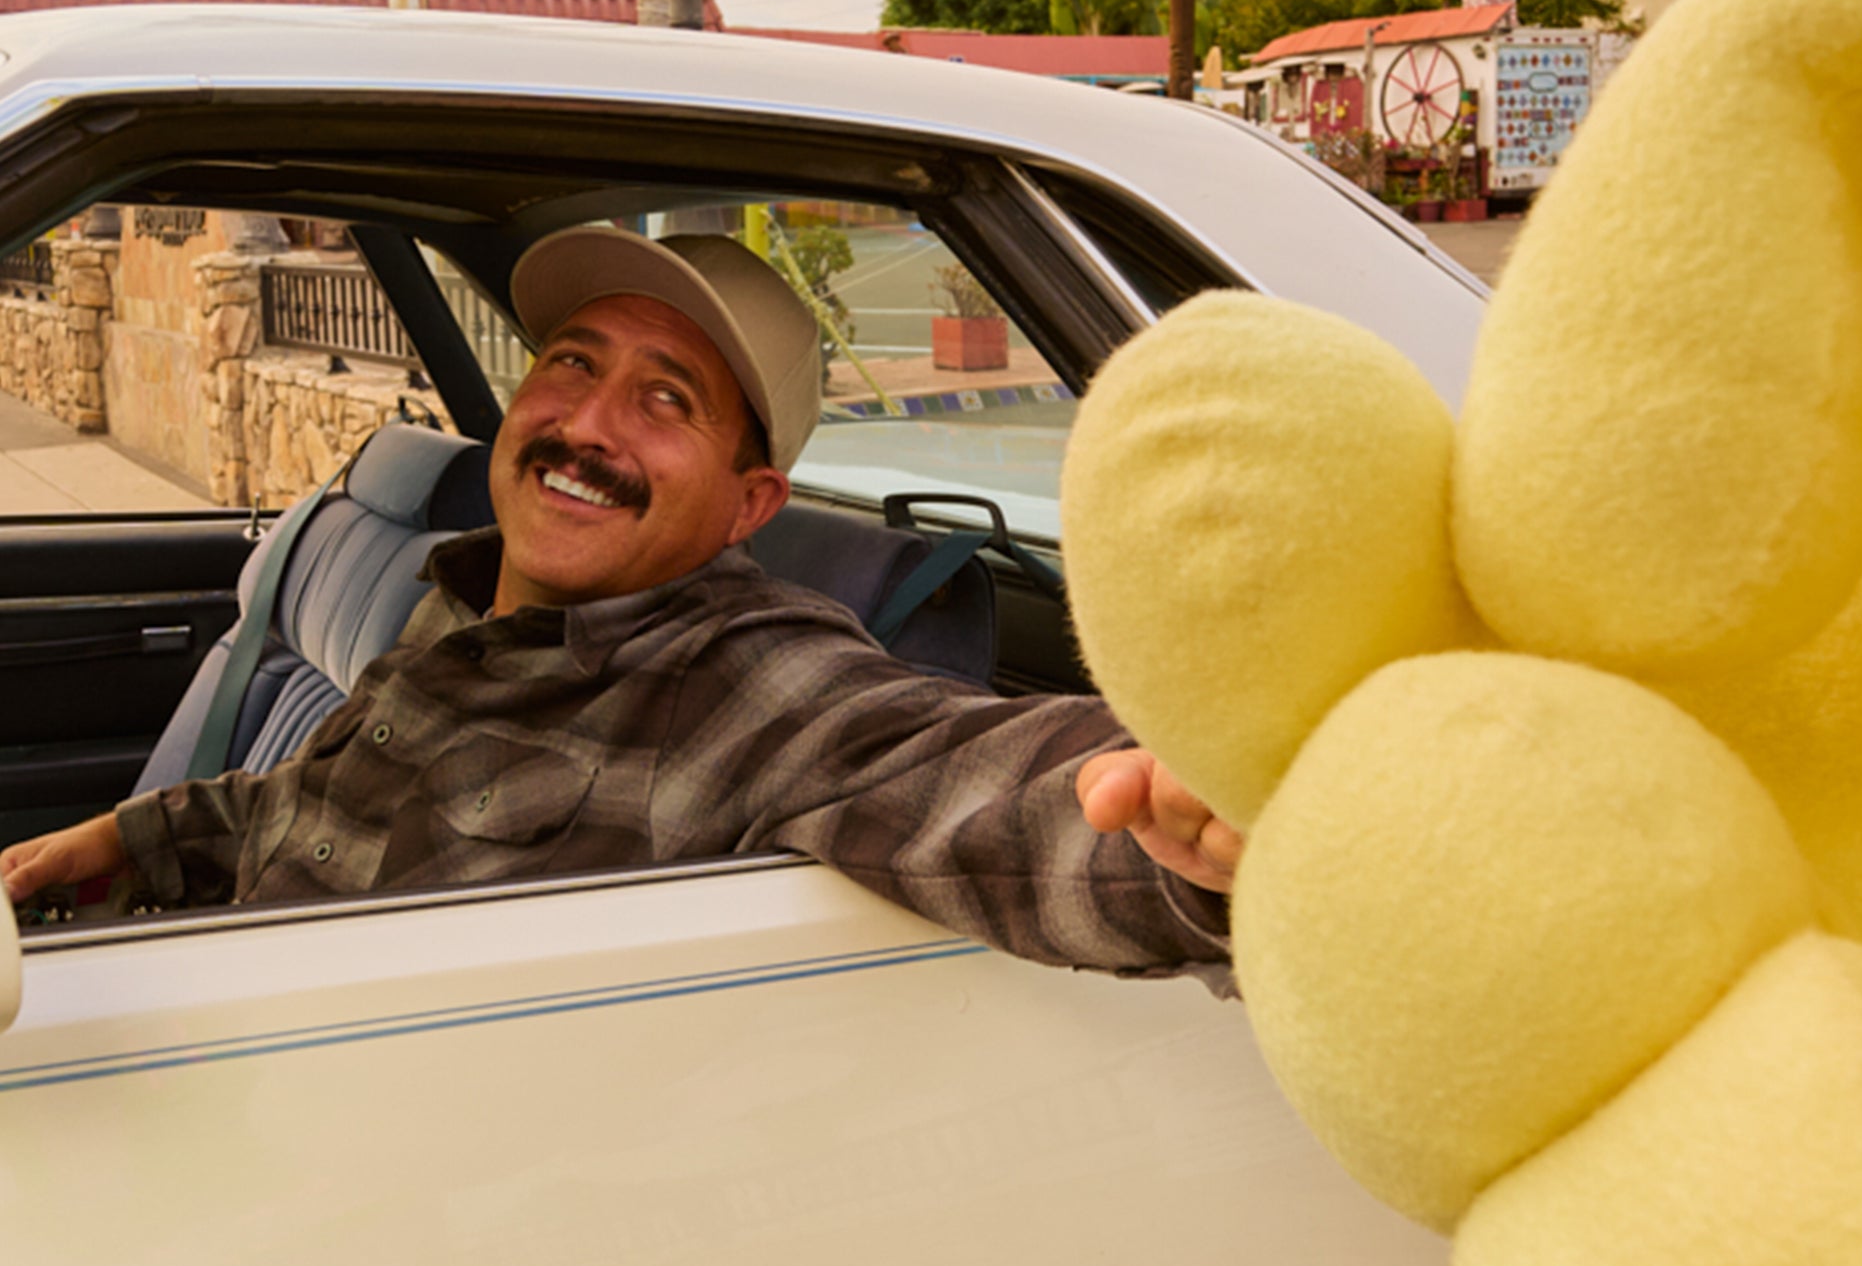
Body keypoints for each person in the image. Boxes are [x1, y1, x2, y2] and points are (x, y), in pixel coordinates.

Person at [0, 226, 1241, 979]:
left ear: (752, 504)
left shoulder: (743, 676)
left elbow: (978, 780)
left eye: (666, 401)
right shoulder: (468, 593)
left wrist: (1211, 818)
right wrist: (124, 837)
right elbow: (313, 798)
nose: (584, 426)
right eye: (571, 365)